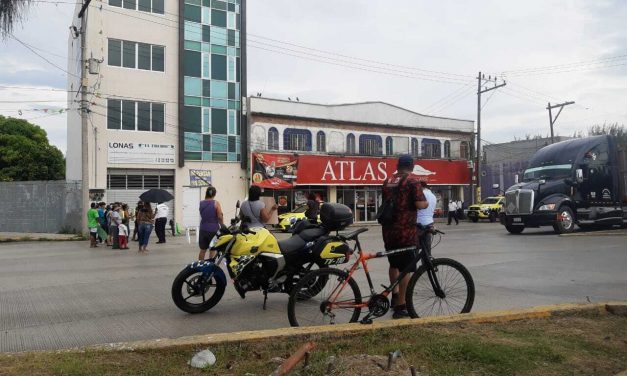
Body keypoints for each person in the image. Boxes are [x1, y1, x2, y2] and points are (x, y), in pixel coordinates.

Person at [381, 154, 428, 319]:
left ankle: (394, 295)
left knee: (393, 263)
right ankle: (402, 306)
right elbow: (420, 204)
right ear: (412, 167)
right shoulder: (412, 181)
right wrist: (426, 203)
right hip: (405, 231)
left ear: (397, 166)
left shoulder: (387, 181)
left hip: (388, 230)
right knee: (406, 268)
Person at [198, 185, 224, 261]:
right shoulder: (216, 203)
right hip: (213, 229)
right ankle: (210, 265)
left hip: (203, 228)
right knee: (212, 250)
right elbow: (219, 217)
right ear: (214, 194)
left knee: (203, 250)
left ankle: (200, 265)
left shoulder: (201, 203)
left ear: (206, 193)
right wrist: (222, 226)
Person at [417, 181, 437, 255]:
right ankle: (427, 265)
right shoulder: (433, 196)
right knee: (426, 249)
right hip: (429, 223)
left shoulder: (420, 194)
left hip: (418, 223)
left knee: (414, 248)